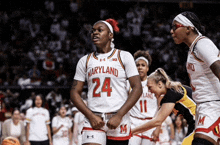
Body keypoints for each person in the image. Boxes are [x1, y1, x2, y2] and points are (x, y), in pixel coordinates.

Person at [70, 18, 142, 145]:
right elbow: (74, 93)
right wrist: (90, 116)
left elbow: (137, 88)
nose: (95, 33)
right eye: (93, 31)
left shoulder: (124, 56)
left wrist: (119, 115)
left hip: (119, 118)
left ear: (110, 35)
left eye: (100, 30)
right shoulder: (85, 60)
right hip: (94, 118)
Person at [171, 11, 220, 145]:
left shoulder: (201, 44)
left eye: (175, 26)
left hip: (213, 105)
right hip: (205, 106)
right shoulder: (193, 48)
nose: (171, 31)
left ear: (188, 28)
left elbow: (219, 68)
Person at [131, 68, 196, 145]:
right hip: (199, 121)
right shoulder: (170, 94)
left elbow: (157, 121)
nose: (149, 91)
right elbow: (157, 120)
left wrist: (131, 131)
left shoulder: (171, 93)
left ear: (159, 84)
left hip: (200, 121)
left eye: (150, 87)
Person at [127, 50, 158, 145]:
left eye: (143, 65)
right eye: (137, 65)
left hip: (150, 123)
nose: (140, 67)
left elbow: (161, 106)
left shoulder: (154, 83)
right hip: (133, 122)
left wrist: (158, 127)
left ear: (147, 68)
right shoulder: (128, 83)